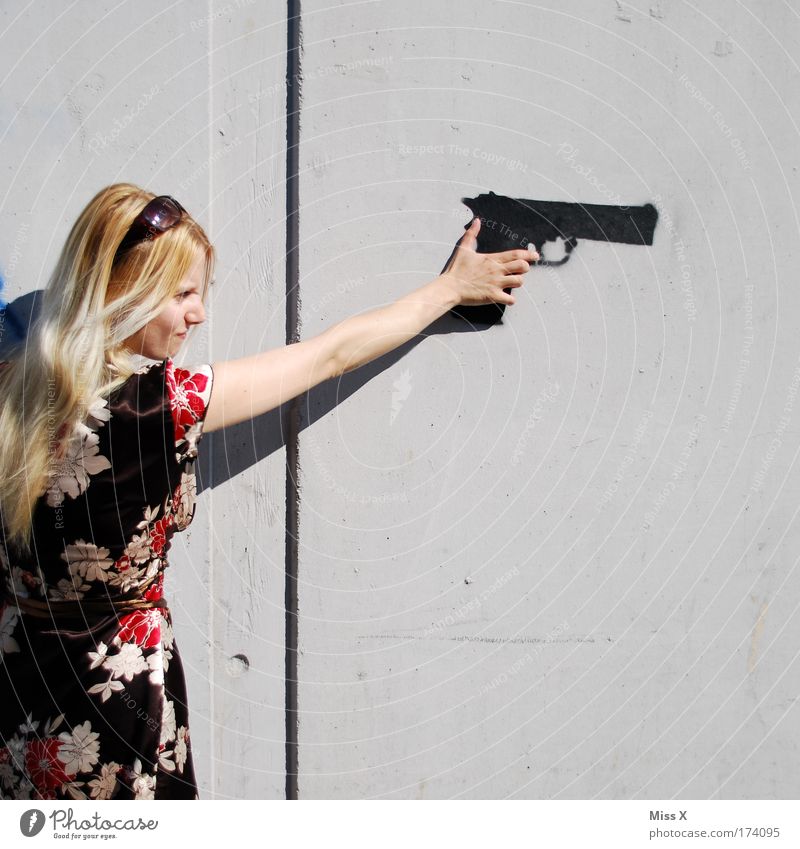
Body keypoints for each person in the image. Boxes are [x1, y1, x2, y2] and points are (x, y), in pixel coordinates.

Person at [0, 183, 538, 800]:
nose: (199, 314)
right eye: (182, 295)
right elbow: (330, 355)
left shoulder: (11, 387)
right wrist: (449, 289)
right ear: (124, 292)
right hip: (111, 697)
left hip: (17, 674)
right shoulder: (161, 406)